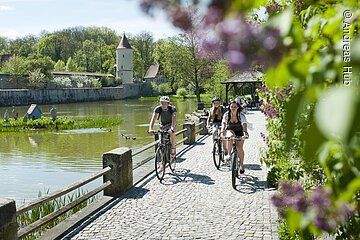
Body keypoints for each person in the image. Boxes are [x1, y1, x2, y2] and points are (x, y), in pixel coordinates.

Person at [221, 99, 249, 174]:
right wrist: (222, 132)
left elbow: (244, 123)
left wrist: (245, 132)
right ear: (229, 107)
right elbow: (224, 123)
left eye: (235, 107)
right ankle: (229, 154)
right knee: (230, 137)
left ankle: (242, 165)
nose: (233, 108)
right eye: (231, 106)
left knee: (239, 148)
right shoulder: (227, 114)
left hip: (240, 131)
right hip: (231, 130)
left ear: (237, 107)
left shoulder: (240, 114)